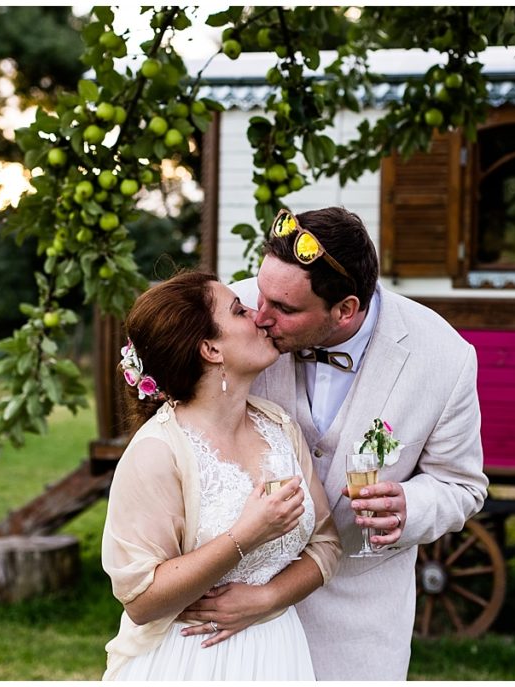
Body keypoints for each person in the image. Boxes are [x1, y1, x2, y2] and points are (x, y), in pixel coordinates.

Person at [179, 207, 489, 679]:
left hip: (359, 621)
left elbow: (462, 485)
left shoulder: (444, 358)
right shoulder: (233, 316)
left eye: (283, 309)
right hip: (231, 613)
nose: (260, 317)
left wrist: (411, 505)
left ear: (345, 309)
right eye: (259, 295)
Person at [100, 270, 341, 681]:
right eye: (239, 310)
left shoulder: (279, 427)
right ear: (211, 348)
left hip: (279, 654)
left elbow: (327, 544)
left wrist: (268, 598)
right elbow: (140, 600)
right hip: (191, 660)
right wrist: (244, 537)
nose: (259, 316)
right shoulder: (158, 451)